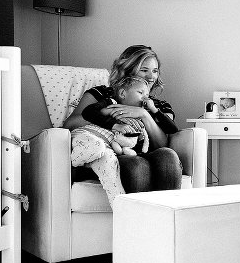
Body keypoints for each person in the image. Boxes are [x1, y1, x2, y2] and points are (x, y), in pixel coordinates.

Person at [63, 45, 182, 194]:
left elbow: (163, 144)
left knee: (168, 156)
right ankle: (134, 210)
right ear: (128, 70)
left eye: (155, 71)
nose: (151, 77)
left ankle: (167, 210)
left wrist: (144, 114)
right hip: (110, 155)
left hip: (145, 152)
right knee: (137, 165)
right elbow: (70, 124)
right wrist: (112, 116)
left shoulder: (159, 106)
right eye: (144, 70)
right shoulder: (102, 94)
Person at [69, 77, 154, 203]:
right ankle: (73, 161)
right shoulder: (111, 102)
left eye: (147, 95)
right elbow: (88, 112)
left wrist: (138, 140)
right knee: (97, 146)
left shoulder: (138, 118)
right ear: (123, 93)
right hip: (87, 135)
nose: (145, 98)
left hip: (107, 148)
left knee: (112, 171)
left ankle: (121, 208)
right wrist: (114, 123)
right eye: (140, 93)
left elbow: (136, 144)